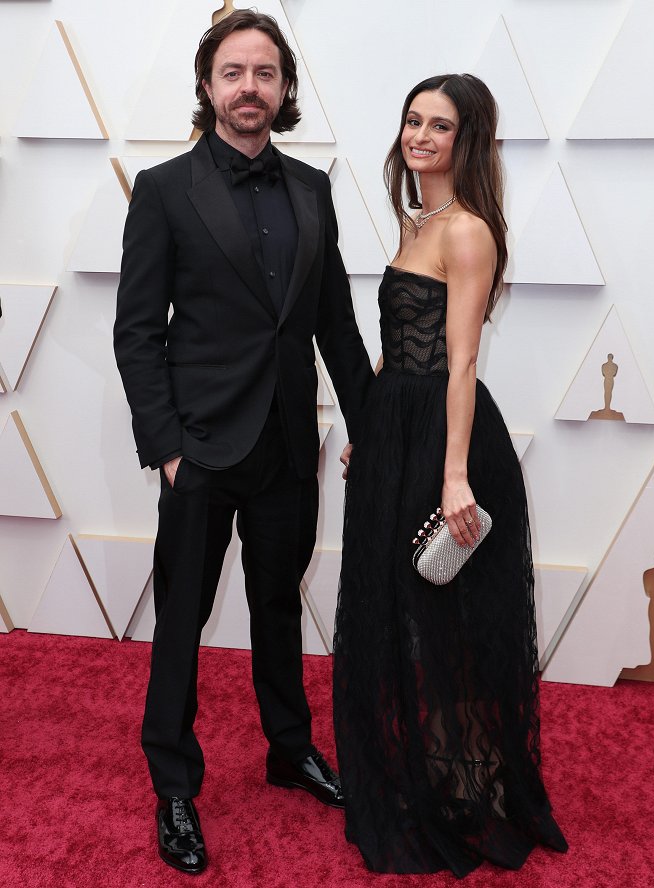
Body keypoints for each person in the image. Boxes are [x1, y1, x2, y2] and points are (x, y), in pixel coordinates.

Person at [114, 10, 373, 876]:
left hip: (286, 446)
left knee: (275, 605)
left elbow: (332, 318)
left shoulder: (311, 188)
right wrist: (168, 448)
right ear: (206, 85)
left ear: (285, 88)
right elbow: (137, 332)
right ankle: (174, 785)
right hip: (200, 445)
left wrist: (367, 425)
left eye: (265, 73)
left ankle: (287, 748)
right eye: (234, 72)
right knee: (182, 621)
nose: (249, 87)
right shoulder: (160, 189)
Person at [333, 74, 568, 877]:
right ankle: (423, 776)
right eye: (411, 120)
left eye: (439, 125)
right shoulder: (415, 221)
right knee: (400, 607)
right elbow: (402, 341)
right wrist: (365, 424)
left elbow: (460, 362)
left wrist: (454, 477)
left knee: (447, 617)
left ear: (466, 140)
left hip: (444, 439)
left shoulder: (465, 231)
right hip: (396, 431)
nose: (420, 136)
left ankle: (464, 788)